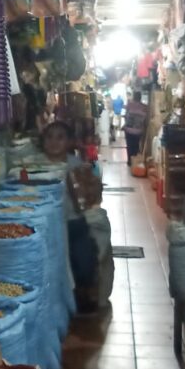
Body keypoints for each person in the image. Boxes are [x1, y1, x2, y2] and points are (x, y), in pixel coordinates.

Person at [40, 122, 112, 313]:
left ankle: (82, 295)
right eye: (49, 137)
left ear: (69, 142)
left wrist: (88, 187)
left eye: (60, 137)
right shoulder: (35, 166)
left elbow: (90, 197)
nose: (54, 142)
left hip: (73, 223)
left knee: (84, 261)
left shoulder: (77, 166)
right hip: (44, 224)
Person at [123, 90, 147, 166]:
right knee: (136, 145)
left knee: (129, 146)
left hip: (129, 130)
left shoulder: (129, 105)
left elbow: (126, 115)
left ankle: (129, 160)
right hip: (138, 131)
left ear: (134, 97)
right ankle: (135, 160)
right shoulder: (144, 107)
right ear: (140, 98)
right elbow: (145, 119)